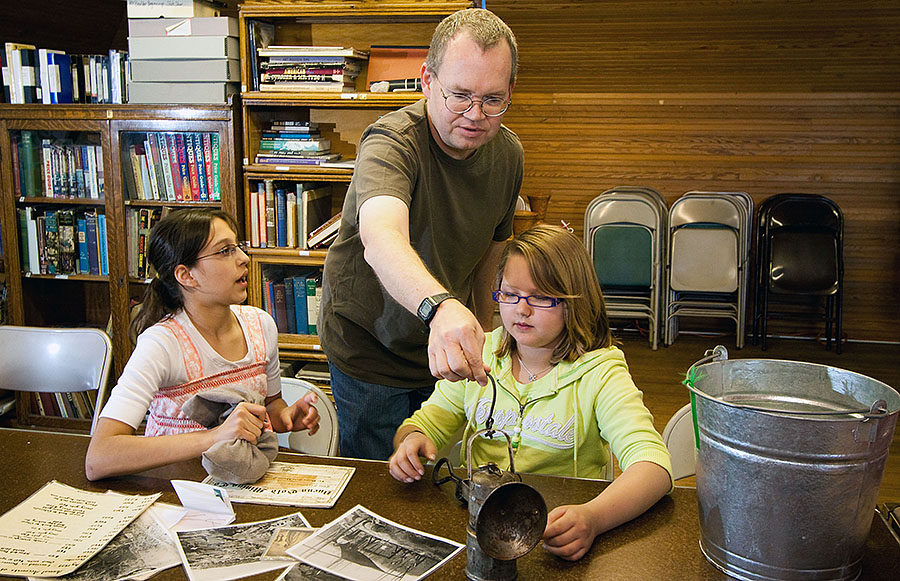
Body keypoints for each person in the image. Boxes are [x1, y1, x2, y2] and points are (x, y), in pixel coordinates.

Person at [388, 225, 673, 561]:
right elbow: (424, 424)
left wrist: (594, 518)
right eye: (509, 294)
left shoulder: (600, 372)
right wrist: (410, 441)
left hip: (557, 535)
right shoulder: (481, 353)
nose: (521, 310)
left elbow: (654, 467)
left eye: (540, 297)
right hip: (483, 532)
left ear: (573, 300)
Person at [318, 7, 524, 461]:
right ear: (427, 80)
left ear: (510, 90)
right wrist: (441, 308)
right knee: (382, 488)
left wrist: (492, 339)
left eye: (493, 99)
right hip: (371, 348)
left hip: (445, 350)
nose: (476, 114)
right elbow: (382, 238)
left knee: (442, 476)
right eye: (460, 95)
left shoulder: (507, 154)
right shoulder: (392, 143)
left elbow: (492, 257)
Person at [85, 209, 319, 481]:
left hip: (241, 481)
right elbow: (99, 458)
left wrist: (287, 416)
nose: (244, 259)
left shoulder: (261, 326)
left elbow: (271, 409)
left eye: (238, 247)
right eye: (225, 251)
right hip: (178, 490)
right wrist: (215, 436)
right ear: (186, 275)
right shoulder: (162, 343)